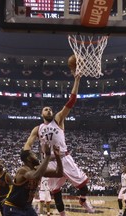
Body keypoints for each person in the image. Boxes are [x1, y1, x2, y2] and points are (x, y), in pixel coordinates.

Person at [24, 74, 95, 215]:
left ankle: (82, 199)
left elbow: (72, 100)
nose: (49, 110)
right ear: (41, 113)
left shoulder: (58, 119)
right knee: (56, 192)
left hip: (63, 157)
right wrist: (28, 157)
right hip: (49, 161)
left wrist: (77, 80)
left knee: (84, 185)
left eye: (50, 109)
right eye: (46, 109)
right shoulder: (37, 129)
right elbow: (27, 146)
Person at [3, 142, 63, 216]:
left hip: (27, 207)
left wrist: (58, 157)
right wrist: (47, 156)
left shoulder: (37, 170)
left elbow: (59, 173)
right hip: (13, 207)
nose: (36, 156)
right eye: (34, 155)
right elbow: (35, 176)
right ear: (29, 158)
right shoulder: (23, 170)